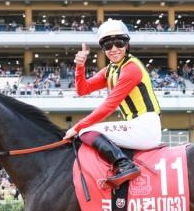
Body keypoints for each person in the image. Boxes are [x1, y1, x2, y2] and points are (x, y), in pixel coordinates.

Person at [63, 19, 162, 188]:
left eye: (119, 43)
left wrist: (77, 127)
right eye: (108, 45)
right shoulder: (111, 69)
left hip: (146, 125)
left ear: (127, 44)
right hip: (135, 125)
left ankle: (125, 165)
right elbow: (83, 89)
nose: (114, 49)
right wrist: (80, 67)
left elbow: (109, 105)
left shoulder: (131, 68)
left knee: (87, 131)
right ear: (103, 49)